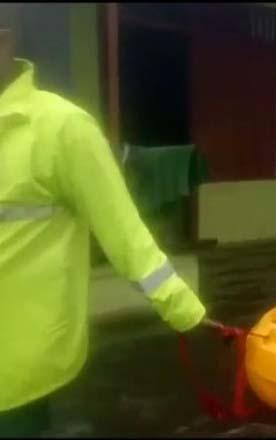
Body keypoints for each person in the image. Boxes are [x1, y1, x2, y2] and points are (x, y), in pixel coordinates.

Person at [0, 24, 210, 436]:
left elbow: (125, 233)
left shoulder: (62, 129)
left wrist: (186, 312)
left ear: (5, 36)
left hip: (25, 375)